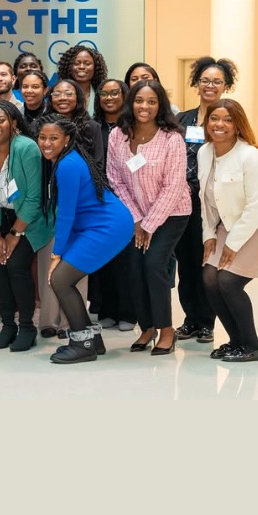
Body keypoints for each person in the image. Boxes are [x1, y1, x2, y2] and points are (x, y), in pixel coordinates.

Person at [37, 115, 134, 363]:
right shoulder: (65, 160)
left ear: (67, 139)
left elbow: (66, 214)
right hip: (96, 225)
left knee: (59, 279)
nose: (46, 143)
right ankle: (92, 340)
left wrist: (56, 254)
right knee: (62, 280)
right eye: (42, 137)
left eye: (53, 138)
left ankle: (83, 343)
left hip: (107, 227)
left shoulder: (68, 165)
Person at [106, 80, 192, 356]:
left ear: (160, 106)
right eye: (140, 101)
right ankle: (147, 327)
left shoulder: (172, 138)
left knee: (154, 264)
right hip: (136, 216)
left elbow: (174, 185)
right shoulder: (118, 135)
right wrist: (136, 220)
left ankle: (166, 330)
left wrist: (150, 223)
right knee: (134, 266)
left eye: (152, 102)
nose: (145, 106)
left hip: (172, 213)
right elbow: (115, 179)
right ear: (131, 102)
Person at [0, 100, 51, 352]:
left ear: (14, 122)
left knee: (16, 265)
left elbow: (33, 198)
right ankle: (8, 326)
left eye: (1, 120)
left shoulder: (27, 148)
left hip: (30, 219)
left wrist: (14, 235)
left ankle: (27, 326)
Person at [174, 56, 239, 344]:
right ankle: (190, 320)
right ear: (196, 83)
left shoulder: (227, 118)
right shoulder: (182, 120)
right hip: (182, 202)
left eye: (216, 81)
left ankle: (207, 323)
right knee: (186, 264)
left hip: (213, 203)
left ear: (225, 85)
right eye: (205, 80)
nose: (210, 86)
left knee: (207, 263)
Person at [197, 99, 258, 363]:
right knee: (210, 280)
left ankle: (253, 345)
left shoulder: (250, 155)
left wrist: (233, 243)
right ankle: (236, 342)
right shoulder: (205, 152)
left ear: (237, 125)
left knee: (229, 282)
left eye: (227, 119)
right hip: (224, 227)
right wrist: (209, 235)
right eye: (214, 118)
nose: (219, 124)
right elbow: (206, 199)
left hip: (253, 227)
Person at [89, 78, 137, 332]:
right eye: (104, 94)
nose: (108, 98)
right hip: (100, 200)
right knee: (103, 258)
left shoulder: (132, 127)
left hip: (128, 200)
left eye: (114, 93)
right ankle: (105, 309)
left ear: (124, 95)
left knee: (126, 261)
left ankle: (128, 312)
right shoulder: (93, 126)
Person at [47, 79, 104, 164]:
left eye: (68, 94)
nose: (62, 98)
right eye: (57, 94)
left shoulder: (92, 127)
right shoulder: (42, 125)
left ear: (78, 98)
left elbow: (99, 164)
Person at [56, 44, 108, 115]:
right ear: (69, 67)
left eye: (87, 63)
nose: (82, 67)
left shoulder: (101, 94)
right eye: (76, 63)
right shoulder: (59, 96)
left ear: (95, 67)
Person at [18, 68, 50, 135]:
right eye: (25, 87)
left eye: (35, 87)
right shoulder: (16, 114)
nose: (29, 91)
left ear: (45, 90)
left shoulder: (52, 113)